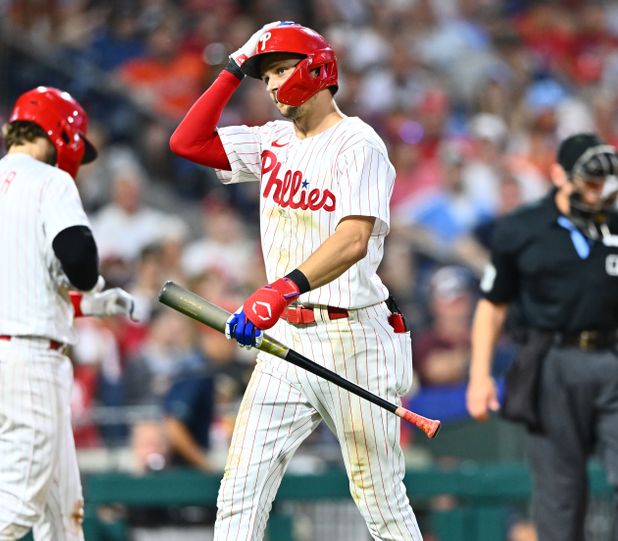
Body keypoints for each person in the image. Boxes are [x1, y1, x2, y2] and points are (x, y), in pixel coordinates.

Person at [170, 21, 422, 540]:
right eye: (266, 75)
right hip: (285, 338)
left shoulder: (359, 143)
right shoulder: (273, 140)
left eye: (281, 69)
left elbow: (354, 239)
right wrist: (235, 67)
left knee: (379, 498)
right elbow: (186, 141)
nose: (272, 84)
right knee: (239, 490)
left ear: (316, 69)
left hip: (353, 334)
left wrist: (282, 288)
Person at [0, 86, 138, 540]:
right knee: (14, 509)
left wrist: (91, 303)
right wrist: (92, 285)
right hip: (26, 364)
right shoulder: (49, 181)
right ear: (62, 133)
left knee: (62, 512)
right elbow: (80, 261)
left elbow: (31, 284)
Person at [466, 133, 618, 541]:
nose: (601, 194)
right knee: (561, 499)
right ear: (560, 174)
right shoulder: (522, 228)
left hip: (610, 359)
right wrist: (479, 375)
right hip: (548, 362)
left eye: (609, 184)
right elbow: (492, 304)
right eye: (592, 182)